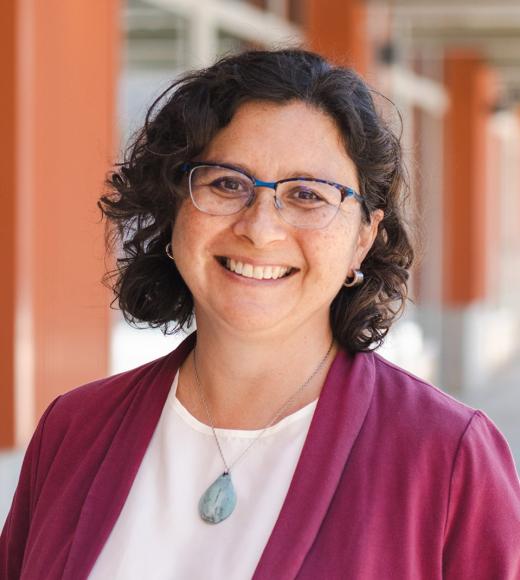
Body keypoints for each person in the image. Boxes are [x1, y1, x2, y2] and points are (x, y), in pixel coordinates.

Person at [1, 49, 519, 580]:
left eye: (307, 195)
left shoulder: (448, 458)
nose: (260, 228)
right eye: (227, 183)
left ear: (363, 238)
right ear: (173, 205)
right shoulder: (74, 429)